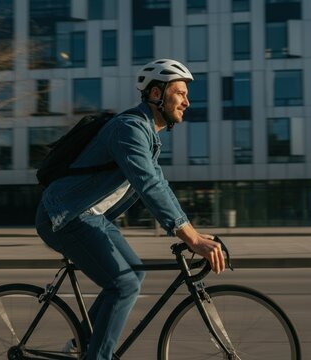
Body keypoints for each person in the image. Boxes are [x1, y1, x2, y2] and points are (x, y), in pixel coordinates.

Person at [35, 58, 225, 360]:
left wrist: (193, 231)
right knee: (122, 284)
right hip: (64, 215)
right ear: (155, 95)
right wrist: (192, 239)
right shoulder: (129, 129)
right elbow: (148, 183)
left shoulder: (148, 136)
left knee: (133, 276)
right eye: (179, 93)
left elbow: (159, 184)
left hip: (90, 217)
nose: (187, 102)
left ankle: (80, 345)